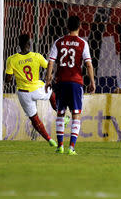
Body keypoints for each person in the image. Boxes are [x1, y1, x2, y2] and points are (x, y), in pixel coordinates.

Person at [46, 16, 96, 156]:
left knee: (60, 113)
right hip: (75, 82)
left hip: (61, 82)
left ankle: (60, 146)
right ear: (79, 26)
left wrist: (48, 80)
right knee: (76, 114)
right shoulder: (82, 43)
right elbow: (88, 64)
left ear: (67, 27)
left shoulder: (58, 42)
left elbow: (51, 62)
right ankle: (71, 148)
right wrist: (92, 81)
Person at [5, 34, 58, 147]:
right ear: (29, 44)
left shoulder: (11, 59)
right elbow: (50, 67)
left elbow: (8, 80)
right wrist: (50, 76)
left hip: (24, 93)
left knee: (34, 118)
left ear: (18, 45)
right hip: (38, 89)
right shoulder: (36, 56)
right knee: (51, 93)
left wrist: (13, 74)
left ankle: (49, 140)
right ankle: (60, 114)